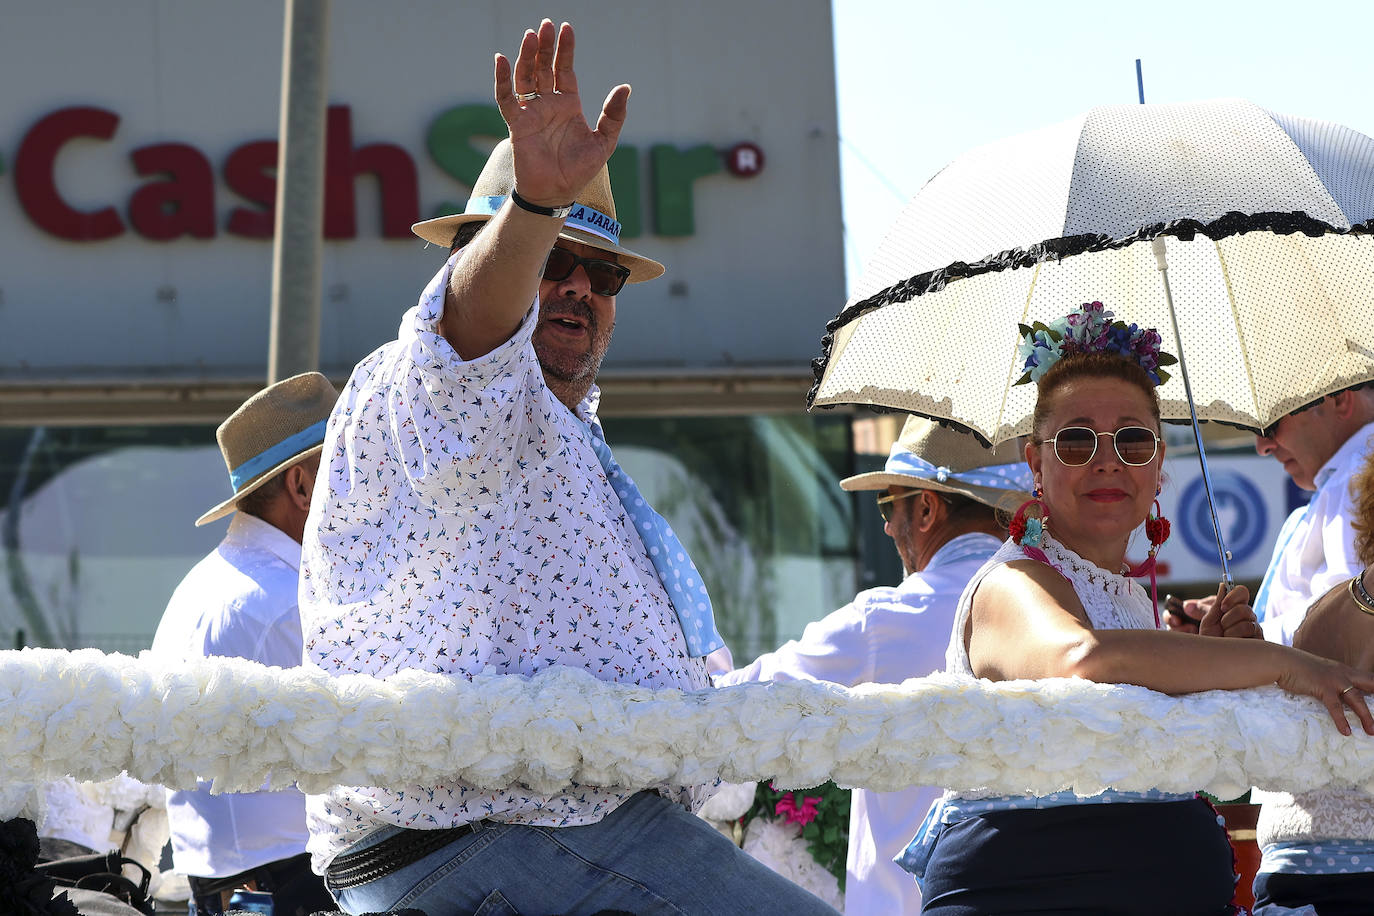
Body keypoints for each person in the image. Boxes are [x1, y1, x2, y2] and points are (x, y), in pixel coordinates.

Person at [298, 20, 838, 916]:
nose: (578, 287)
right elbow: (471, 336)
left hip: (558, 834)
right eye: (553, 262)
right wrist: (533, 210)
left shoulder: (563, 432)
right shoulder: (437, 380)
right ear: (489, 254)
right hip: (492, 838)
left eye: (602, 274)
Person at [898, 301, 1374, 916]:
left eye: (1131, 438)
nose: (1105, 460)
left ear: (1157, 467)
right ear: (1035, 462)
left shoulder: (1128, 598)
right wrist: (1274, 663)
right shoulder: (1012, 581)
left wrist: (1222, 673)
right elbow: (1081, 659)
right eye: (1074, 441)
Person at [716, 416, 1029, 915]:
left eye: (889, 504)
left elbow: (740, 701)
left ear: (926, 509)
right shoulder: (1055, 613)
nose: (885, 525)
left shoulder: (884, 621)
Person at [149, 372, 339, 916]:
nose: (364, 491)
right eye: (346, 470)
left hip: (233, 884)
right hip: (293, 883)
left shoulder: (206, 583)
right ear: (302, 488)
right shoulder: (288, 602)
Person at [1250, 450, 1374, 915]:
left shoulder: (1337, 606)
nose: (1265, 444)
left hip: (1297, 869)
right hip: (1304, 873)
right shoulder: (1346, 601)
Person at [1170, 388, 1374, 645]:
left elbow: (1351, 616)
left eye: (1271, 425)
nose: (1262, 447)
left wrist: (1256, 636)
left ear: (1339, 399)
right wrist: (1241, 624)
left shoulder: (1357, 475)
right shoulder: (1344, 479)